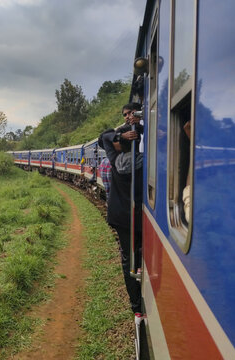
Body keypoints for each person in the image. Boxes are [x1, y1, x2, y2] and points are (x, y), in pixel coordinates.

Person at [99, 103, 143, 323]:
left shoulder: (114, 161)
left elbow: (105, 136)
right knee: (140, 252)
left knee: (128, 259)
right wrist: (140, 129)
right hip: (139, 217)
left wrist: (120, 133)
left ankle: (136, 306)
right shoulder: (145, 162)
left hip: (120, 216)